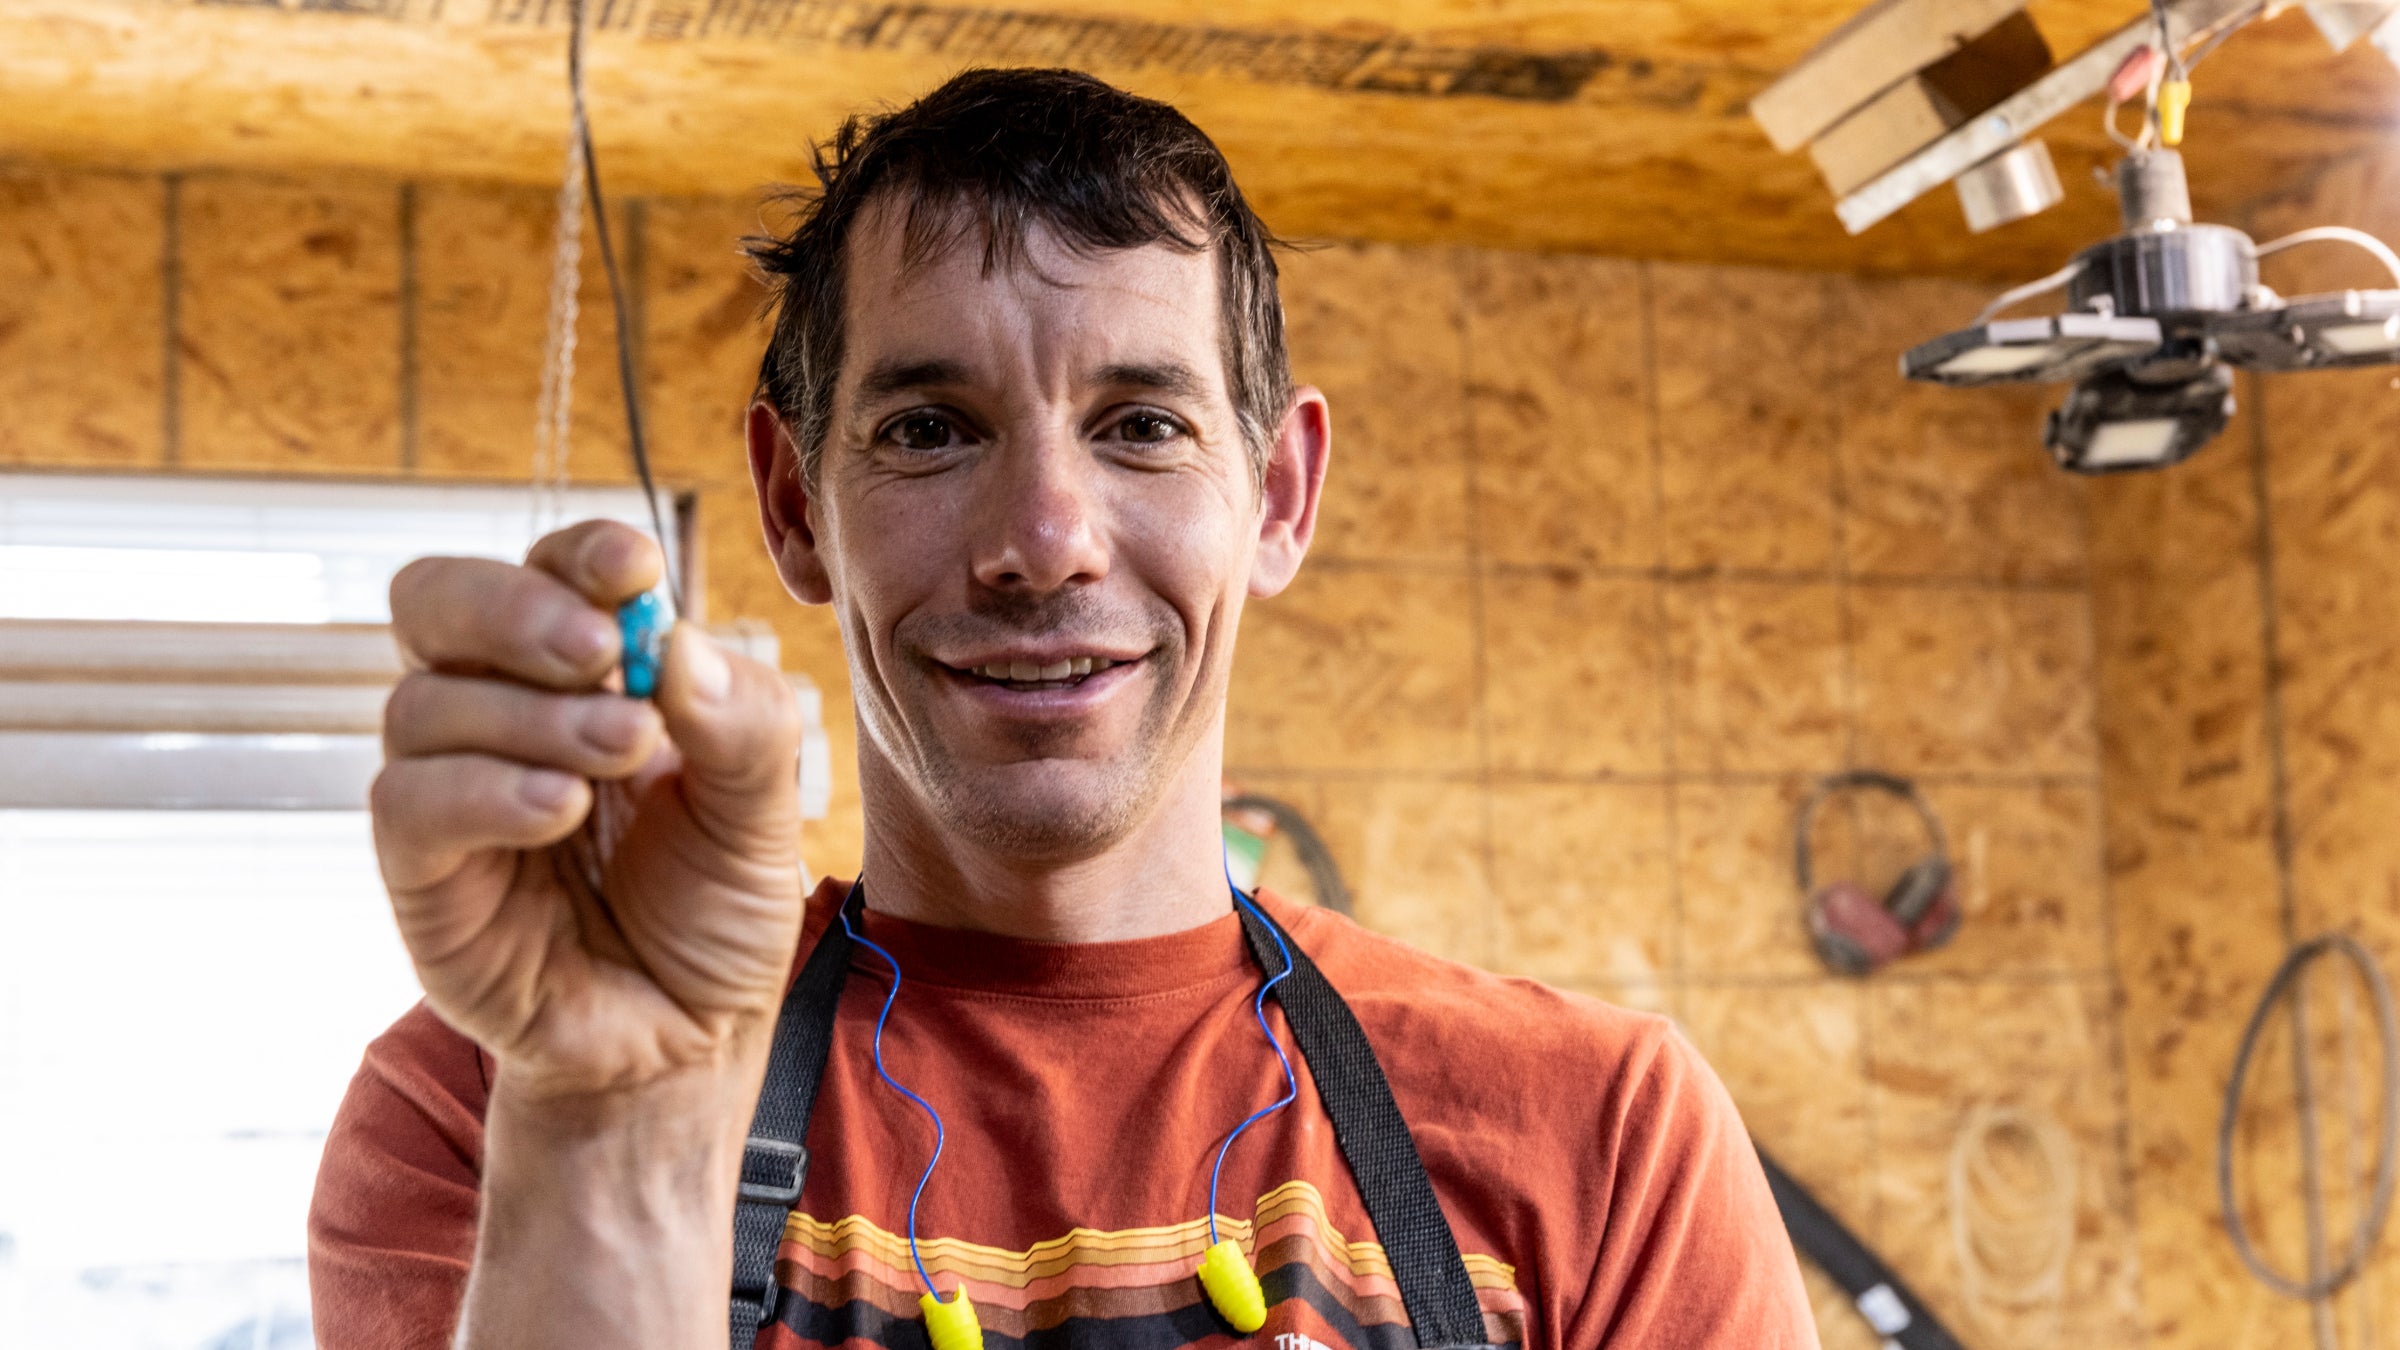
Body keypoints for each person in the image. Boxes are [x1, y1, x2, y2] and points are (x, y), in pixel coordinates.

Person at [309, 67, 1817, 1350]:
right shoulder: (500, 1102)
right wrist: (611, 1129)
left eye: (1143, 425)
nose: (1044, 536)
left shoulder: (1603, 1138)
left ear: (1278, 495)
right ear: (794, 505)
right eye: (928, 428)